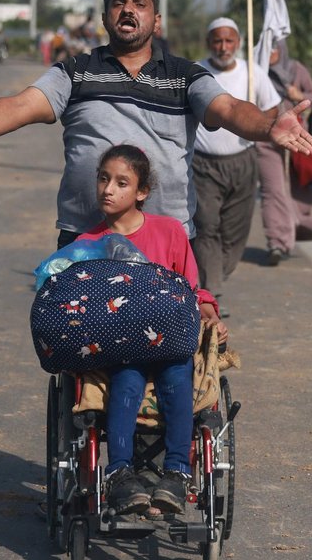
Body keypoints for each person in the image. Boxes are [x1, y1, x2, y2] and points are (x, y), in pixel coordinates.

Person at [0, 0, 312, 250]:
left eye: (139, 3)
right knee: (78, 353)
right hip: (85, 238)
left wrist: (267, 125)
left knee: (167, 359)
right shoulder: (75, 71)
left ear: (155, 21)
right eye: (119, 3)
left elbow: (228, 108)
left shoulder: (185, 76)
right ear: (105, 17)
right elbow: (20, 105)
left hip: (165, 239)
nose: (128, 9)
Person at [74, 144, 225, 515]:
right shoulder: (87, 244)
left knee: (177, 374)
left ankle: (175, 472)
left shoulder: (170, 232)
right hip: (122, 346)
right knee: (127, 378)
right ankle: (121, 472)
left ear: (141, 192)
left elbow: (191, 287)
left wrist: (208, 308)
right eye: (104, 179)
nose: (108, 189)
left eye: (121, 182)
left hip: (171, 339)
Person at [191, 18, 281, 308]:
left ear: (238, 43)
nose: (223, 47)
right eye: (217, 41)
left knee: (234, 233)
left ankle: (216, 272)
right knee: (206, 226)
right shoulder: (196, 73)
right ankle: (210, 290)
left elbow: (273, 109)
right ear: (209, 43)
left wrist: (263, 123)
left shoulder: (253, 73)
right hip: (202, 165)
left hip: (243, 162)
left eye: (229, 41)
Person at [258, 39, 312, 264]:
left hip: (297, 139)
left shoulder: (296, 69)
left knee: (297, 187)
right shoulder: (255, 72)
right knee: (273, 189)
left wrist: (298, 96)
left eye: (274, 48)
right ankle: (277, 242)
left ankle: (301, 224)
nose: (271, 53)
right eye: (267, 48)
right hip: (265, 139)